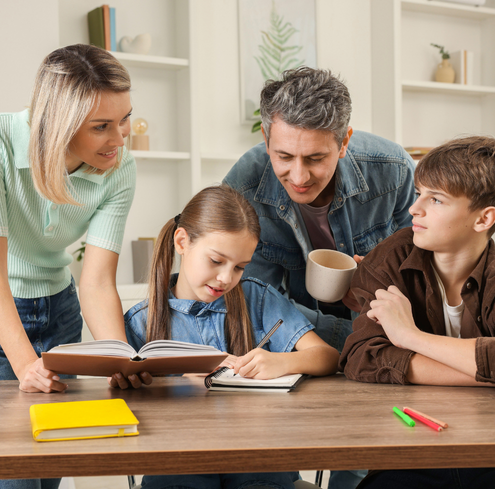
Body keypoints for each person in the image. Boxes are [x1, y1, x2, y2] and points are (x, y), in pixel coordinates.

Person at [223, 66, 416, 489]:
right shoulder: (245, 185)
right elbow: (252, 299)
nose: (299, 176)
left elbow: (422, 270)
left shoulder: (393, 170)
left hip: (377, 338)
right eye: (284, 157)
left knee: (364, 461)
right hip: (291, 345)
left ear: (344, 141)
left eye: (315, 158)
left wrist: (382, 274)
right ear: (265, 138)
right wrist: (334, 343)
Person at [0, 44, 148, 489]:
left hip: (58, 312)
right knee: (17, 479)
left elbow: (97, 279)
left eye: (124, 118)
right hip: (5, 317)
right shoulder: (3, 147)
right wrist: (26, 364)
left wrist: (119, 356)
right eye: (101, 126)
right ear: (57, 125)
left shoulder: (119, 167)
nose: (120, 139)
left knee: (51, 470)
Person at [124, 185, 339, 489]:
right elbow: (124, 403)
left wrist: (281, 362)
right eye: (215, 261)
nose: (227, 278)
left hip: (259, 460)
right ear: (182, 241)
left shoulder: (257, 298)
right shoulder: (141, 321)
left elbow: (328, 357)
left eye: (239, 267)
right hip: (177, 462)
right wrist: (178, 383)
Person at [339, 136, 495, 488]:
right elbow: (361, 357)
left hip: (488, 449)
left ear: (484, 219)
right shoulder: (390, 259)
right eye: (419, 193)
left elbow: (392, 349)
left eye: (436, 199)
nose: (415, 209)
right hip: (409, 448)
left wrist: (411, 337)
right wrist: (481, 370)